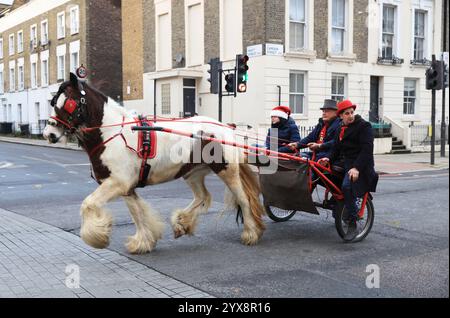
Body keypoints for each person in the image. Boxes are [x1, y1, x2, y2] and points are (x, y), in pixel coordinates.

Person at [320, 100, 378, 242]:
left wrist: (356, 168)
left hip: (362, 165)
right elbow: (336, 149)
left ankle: (353, 221)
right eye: (347, 113)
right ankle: (338, 204)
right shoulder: (341, 128)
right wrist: (328, 159)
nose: (350, 115)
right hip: (347, 163)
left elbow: (367, 150)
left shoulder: (364, 126)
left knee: (347, 186)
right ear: (340, 116)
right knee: (322, 174)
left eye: (352, 112)